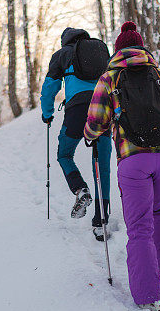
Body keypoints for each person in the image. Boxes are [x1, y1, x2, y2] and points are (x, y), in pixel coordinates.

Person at [84, 22, 160, 311]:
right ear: (143, 48)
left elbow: (95, 122)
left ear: (118, 51)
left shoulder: (110, 78)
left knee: (139, 227)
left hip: (134, 160)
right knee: (159, 208)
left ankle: (147, 296)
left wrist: (89, 136)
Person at [41, 28, 112, 240]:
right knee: (102, 163)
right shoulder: (99, 50)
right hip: (102, 108)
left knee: (64, 154)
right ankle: (101, 219)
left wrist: (47, 114)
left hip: (77, 109)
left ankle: (80, 189)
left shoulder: (62, 55)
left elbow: (49, 88)